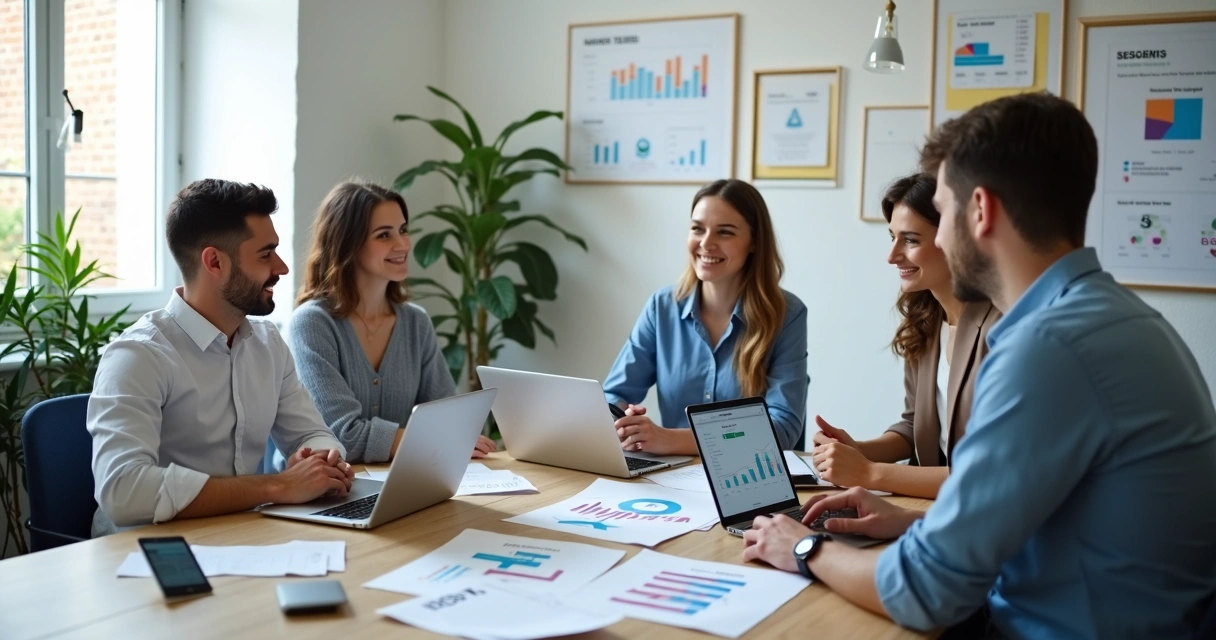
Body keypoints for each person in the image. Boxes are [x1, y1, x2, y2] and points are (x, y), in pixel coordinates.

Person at [742, 92, 1216, 639]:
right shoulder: (1119, 318)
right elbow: (1046, 517)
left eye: (943, 214)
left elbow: (925, 592)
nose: (940, 237)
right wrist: (912, 520)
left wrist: (804, 547)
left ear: (981, 212)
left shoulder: (1047, 348)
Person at [88, 179, 356, 536]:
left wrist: (321, 460)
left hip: (242, 534)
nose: (281, 268)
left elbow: (311, 433)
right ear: (214, 262)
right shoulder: (138, 355)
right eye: (265, 255)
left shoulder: (268, 344)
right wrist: (278, 486)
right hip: (148, 546)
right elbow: (123, 491)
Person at [810, 174, 1000, 498]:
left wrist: (868, 472)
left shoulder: (1002, 330)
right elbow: (915, 426)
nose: (892, 255)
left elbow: (991, 471)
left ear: (955, 240)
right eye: (892, 237)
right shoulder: (926, 322)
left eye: (910, 240)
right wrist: (858, 451)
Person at [290, 181, 495, 463]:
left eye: (403, 230)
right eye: (384, 235)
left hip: (406, 480)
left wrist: (455, 437)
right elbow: (342, 436)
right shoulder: (312, 324)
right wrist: (432, 439)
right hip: (330, 486)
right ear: (348, 243)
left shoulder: (415, 322)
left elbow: (450, 420)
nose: (403, 244)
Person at [604, 179, 808, 455]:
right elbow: (613, 396)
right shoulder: (662, 307)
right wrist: (623, 420)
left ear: (754, 242)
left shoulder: (787, 314)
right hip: (670, 473)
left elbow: (782, 429)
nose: (706, 243)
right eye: (697, 229)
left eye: (725, 232)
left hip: (747, 474)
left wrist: (671, 440)